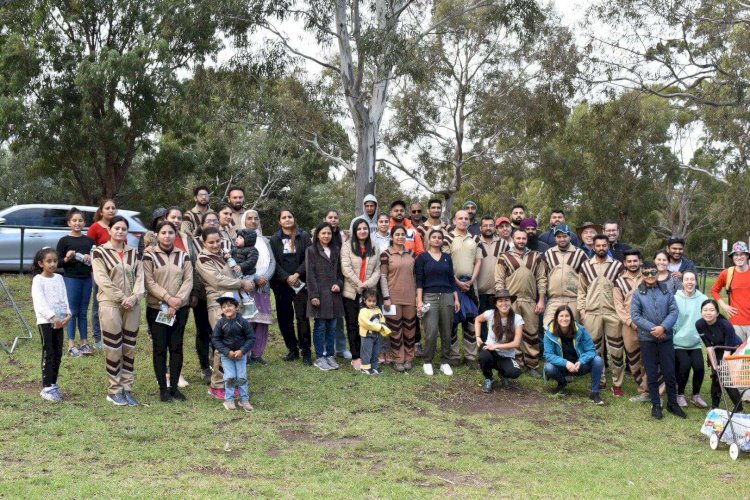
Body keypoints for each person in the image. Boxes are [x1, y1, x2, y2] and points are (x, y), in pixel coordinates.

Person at [92, 215, 144, 407]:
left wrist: (134, 297)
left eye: (124, 229)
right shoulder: (100, 252)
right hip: (110, 304)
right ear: (110, 230)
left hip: (132, 305)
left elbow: (140, 278)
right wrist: (122, 298)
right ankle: (114, 390)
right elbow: (102, 280)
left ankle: (127, 388)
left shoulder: (134, 253)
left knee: (129, 347)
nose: (120, 231)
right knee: (113, 348)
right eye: (117, 228)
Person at [196, 227, 254, 399]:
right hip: (217, 304)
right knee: (222, 344)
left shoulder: (224, 254)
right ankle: (218, 385)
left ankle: (228, 381)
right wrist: (241, 283)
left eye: (217, 241)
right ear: (204, 243)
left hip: (233, 302)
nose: (215, 245)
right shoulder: (203, 259)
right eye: (211, 242)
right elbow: (217, 281)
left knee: (234, 341)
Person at [143, 221, 193, 402]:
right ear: (157, 235)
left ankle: (174, 388)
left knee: (176, 347)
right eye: (163, 232)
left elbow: (188, 280)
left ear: (175, 234)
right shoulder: (149, 256)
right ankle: (163, 389)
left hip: (179, 308)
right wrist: (167, 298)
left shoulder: (184, 256)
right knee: (159, 348)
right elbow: (149, 281)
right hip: (157, 308)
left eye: (171, 232)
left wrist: (177, 301)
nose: (167, 236)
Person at [630, 260, 685, 419]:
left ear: (657, 273)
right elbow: (635, 316)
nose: (650, 276)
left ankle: (672, 403)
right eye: (646, 273)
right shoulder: (638, 293)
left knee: (669, 372)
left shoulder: (667, 290)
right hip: (648, 339)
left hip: (666, 338)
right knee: (652, 373)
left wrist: (663, 327)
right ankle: (656, 404)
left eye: (652, 272)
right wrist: (654, 329)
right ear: (642, 274)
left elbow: (674, 312)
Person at [494, 230, 547, 377]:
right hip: (511, 300)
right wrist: (502, 301)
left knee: (532, 332)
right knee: (511, 331)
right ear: (513, 239)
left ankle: (532, 364)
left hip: (530, 300)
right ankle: (516, 361)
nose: (521, 240)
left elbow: (542, 279)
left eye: (524, 238)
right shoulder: (504, 257)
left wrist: (541, 300)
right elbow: (499, 280)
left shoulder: (536, 256)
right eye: (518, 238)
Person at [578, 234, 624, 395]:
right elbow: (581, 290)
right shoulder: (585, 266)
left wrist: (621, 313)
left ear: (608, 246)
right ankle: (600, 380)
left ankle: (617, 383)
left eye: (604, 245)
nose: (601, 248)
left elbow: (623, 290)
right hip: (592, 313)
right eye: (598, 246)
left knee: (616, 350)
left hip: (613, 313)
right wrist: (582, 312)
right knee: (595, 350)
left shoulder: (618, 266)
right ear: (593, 247)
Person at [269, 209, 313, 365]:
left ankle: (306, 351)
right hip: (282, 285)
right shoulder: (274, 239)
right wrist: (286, 277)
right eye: (284, 217)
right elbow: (273, 261)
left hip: (300, 283)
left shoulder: (304, 235)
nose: (287, 219)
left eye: (290, 216)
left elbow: (309, 257)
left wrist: (297, 274)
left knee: (302, 317)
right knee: (284, 318)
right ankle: (292, 349)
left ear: (294, 218)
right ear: (279, 221)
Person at [416, 229, 460, 376]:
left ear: (442, 240)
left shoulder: (447, 257)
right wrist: (419, 301)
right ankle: (428, 361)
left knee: (447, 332)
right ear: (428, 240)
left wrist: (456, 298)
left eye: (439, 237)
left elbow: (451, 279)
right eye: (433, 237)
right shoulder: (422, 258)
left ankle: (445, 362)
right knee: (431, 331)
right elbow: (419, 281)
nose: (436, 239)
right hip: (429, 296)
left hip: (447, 296)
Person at [543, 305, 605, 405]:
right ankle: (562, 384)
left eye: (567, 316)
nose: (564, 319)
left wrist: (581, 361)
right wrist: (566, 363)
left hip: (579, 366)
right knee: (548, 367)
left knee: (597, 360)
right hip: (562, 367)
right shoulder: (549, 332)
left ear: (571, 317)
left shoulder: (580, 330)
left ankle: (595, 393)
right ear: (556, 318)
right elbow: (548, 355)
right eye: (561, 316)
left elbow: (591, 350)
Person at [31, 248, 71, 402]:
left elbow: (64, 297)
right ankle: (47, 387)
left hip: (60, 322)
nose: (53, 264)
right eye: (49, 261)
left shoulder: (59, 278)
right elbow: (40, 302)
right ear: (41, 263)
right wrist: (52, 317)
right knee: (49, 352)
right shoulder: (38, 280)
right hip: (46, 322)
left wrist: (67, 314)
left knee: (58, 353)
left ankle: (53, 384)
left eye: (55, 261)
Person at [341, 218, 381, 370]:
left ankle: (368, 355)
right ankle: (356, 356)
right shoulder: (347, 247)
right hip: (351, 292)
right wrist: (359, 284)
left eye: (365, 228)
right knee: (353, 325)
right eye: (359, 229)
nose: (362, 231)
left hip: (369, 294)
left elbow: (378, 269)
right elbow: (346, 268)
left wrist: (368, 284)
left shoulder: (374, 246)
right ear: (354, 231)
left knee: (368, 325)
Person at [56, 207, 95, 356]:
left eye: (80, 220)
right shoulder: (64, 241)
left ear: (85, 222)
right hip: (71, 279)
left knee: (83, 312)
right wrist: (67, 258)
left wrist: (90, 259)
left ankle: (84, 343)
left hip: (87, 280)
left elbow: (96, 261)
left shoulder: (89, 241)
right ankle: (71, 344)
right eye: (74, 220)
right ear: (69, 223)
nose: (77, 223)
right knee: (72, 312)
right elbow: (57, 262)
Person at [306, 222, 345, 371]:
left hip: (333, 295)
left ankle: (330, 355)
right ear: (318, 234)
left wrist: (339, 284)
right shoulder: (311, 250)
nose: (326, 236)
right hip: (320, 295)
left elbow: (341, 273)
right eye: (323, 233)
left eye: (329, 233)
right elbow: (310, 275)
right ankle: (320, 357)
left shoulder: (336, 250)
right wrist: (314, 295)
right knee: (320, 326)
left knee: (332, 326)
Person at [613, 249, 651, 402]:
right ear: (624, 263)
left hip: (648, 325)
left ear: (640, 261)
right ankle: (642, 390)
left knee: (648, 357)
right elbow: (618, 306)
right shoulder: (619, 281)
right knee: (634, 359)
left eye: (635, 261)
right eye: (629, 261)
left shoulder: (648, 278)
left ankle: (651, 389)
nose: (633, 264)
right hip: (629, 326)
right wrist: (630, 322)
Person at [186, 212, 220, 383]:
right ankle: (205, 367)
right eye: (208, 220)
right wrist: (193, 292)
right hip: (200, 294)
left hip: (220, 296)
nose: (212, 223)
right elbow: (192, 267)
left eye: (215, 220)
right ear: (202, 223)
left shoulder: (224, 240)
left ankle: (219, 365)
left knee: (219, 331)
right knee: (203, 331)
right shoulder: (193, 243)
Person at [445, 209, 481, 365]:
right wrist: (457, 282)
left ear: (470, 221)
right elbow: (445, 262)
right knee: (453, 320)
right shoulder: (447, 238)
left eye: (466, 218)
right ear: (454, 221)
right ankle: (454, 355)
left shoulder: (474, 238)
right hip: (453, 284)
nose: (463, 221)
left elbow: (478, 261)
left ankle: (471, 356)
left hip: (471, 285)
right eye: (460, 218)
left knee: (471, 321)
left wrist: (472, 280)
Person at [240, 209, 276, 365]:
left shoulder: (264, 241)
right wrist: (255, 278)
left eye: (256, 218)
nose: (253, 221)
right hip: (247, 286)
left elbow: (272, 261)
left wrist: (265, 278)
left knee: (262, 321)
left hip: (264, 286)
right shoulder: (239, 240)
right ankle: (245, 354)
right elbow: (239, 264)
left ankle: (257, 353)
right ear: (244, 221)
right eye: (249, 218)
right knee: (248, 320)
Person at [381, 225, 418, 372]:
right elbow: (383, 277)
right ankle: (398, 359)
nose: (400, 237)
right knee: (395, 329)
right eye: (397, 234)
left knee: (409, 328)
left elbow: (415, 276)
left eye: (403, 234)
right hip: (393, 298)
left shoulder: (411, 254)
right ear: (392, 237)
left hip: (410, 297)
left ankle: (409, 357)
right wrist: (386, 297)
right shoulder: (386, 254)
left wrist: (417, 296)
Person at [696, 299, 744, 412]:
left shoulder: (725, 325)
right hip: (717, 349)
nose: (708, 313)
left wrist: (722, 365)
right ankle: (715, 407)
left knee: (725, 378)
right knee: (716, 376)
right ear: (701, 312)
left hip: (733, 349)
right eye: (705, 310)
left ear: (717, 313)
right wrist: (714, 365)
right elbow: (708, 347)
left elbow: (728, 349)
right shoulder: (699, 324)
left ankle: (739, 408)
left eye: (711, 310)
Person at [212, 292, 255, 412]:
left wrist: (243, 350)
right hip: (227, 356)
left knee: (241, 376)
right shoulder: (221, 323)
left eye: (230, 305)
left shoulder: (243, 322)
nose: (227, 308)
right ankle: (229, 400)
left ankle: (244, 399)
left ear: (237, 307)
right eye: (224, 307)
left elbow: (251, 338)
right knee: (230, 376)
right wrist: (226, 352)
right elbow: (215, 339)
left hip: (241, 355)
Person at [474, 289, 523, 393]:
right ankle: (489, 379)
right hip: (490, 351)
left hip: (506, 355)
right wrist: (478, 336)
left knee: (515, 372)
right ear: (496, 304)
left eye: (506, 300)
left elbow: (516, 343)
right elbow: (478, 320)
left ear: (511, 302)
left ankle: (503, 374)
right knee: (483, 355)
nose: (504, 303)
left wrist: (496, 346)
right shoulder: (490, 314)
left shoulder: (517, 319)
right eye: (500, 301)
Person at [672, 271, 708, 408]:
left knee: (699, 368)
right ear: (682, 282)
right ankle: (680, 394)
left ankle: (696, 395)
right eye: (686, 279)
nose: (689, 282)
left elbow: (707, 317)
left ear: (696, 281)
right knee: (684, 367)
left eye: (692, 279)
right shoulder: (676, 298)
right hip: (679, 341)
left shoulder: (702, 298)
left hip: (695, 342)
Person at [87, 198, 117, 349]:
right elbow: (88, 249)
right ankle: (98, 338)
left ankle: (112, 335)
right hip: (99, 272)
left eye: (113, 208)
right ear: (101, 211)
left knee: (113, 304)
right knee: (98, 304)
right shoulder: (95, 228)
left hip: (116, 272)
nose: (111, 210)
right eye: (107, 208)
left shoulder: (118, 226)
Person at [542, 224, 587, 327]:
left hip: (573, 299)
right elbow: (542, 277)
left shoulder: (580, 254)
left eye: (564, 236)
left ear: (570, 237)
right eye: (559, 237)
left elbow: (586, 279)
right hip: (554, 299)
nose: (562, 239)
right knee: (548, 327)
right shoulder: (548, 254)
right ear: (555, 238)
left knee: (573, 330)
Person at [322, 209, 350, 359]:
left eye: (335, 217)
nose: (333, 220)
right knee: (326, 317)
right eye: (330, 217)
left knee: (339, 316)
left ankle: (341, 347)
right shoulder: (319, 235)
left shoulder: (343, 236)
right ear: (325, 219)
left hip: (342, 279)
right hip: (325, 281)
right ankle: (327, 348)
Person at [476, 217, 510, 340]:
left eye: (491, 225)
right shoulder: (474, 241)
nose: (488, 228)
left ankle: (498, 349)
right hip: (480, 290)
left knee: (498, 321)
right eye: (485, 225)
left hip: (498, 290)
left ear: (494, 228)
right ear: (480, 228)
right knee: (482, 321)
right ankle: (482, 348)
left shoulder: (503, 243)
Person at [711, 241, 750, 342]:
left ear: (747, 256)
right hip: (736, 323)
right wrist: (724, 306)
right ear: (732, 257)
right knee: (737, 354)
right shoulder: (727, 273)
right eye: (736, 255)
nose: (739, 257)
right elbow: (714, 290)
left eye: (742, 254)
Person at [357, 289, 392, 375]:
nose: (372, 303)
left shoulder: (378, 309)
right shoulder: (363, 311)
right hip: (367, 335)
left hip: (377, 335)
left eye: (374, 301)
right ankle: (365, 367)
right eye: (369, 301)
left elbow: (382, 319)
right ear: (365, 301)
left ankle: (374, 366)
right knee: (367, 352)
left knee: (376, 351)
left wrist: (383, 325)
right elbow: (366, 323)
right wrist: (380, 327)